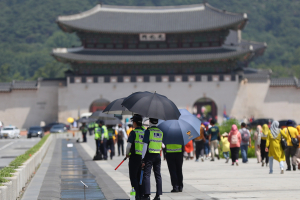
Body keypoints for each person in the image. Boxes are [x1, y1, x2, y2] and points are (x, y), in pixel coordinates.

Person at [141, 118, 163, 200]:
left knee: (147, 174)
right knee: (158, 175)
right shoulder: (161, 131)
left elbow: (145, 145)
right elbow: (162, 144)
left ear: (149, 121)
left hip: (149, 155)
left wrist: (142, 158)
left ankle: (146, 195)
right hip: (157, 155)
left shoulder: (148, 131)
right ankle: (158, 195)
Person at [126, 114, 145, 200]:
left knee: (133, 177)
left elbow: (128, 146)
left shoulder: (133, 132)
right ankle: (141, 194)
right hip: (143, 158)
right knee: (140, 177)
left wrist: (127, 154)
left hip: (134, 158)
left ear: (134, 122)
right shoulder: (145, 132)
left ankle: (136, 195)